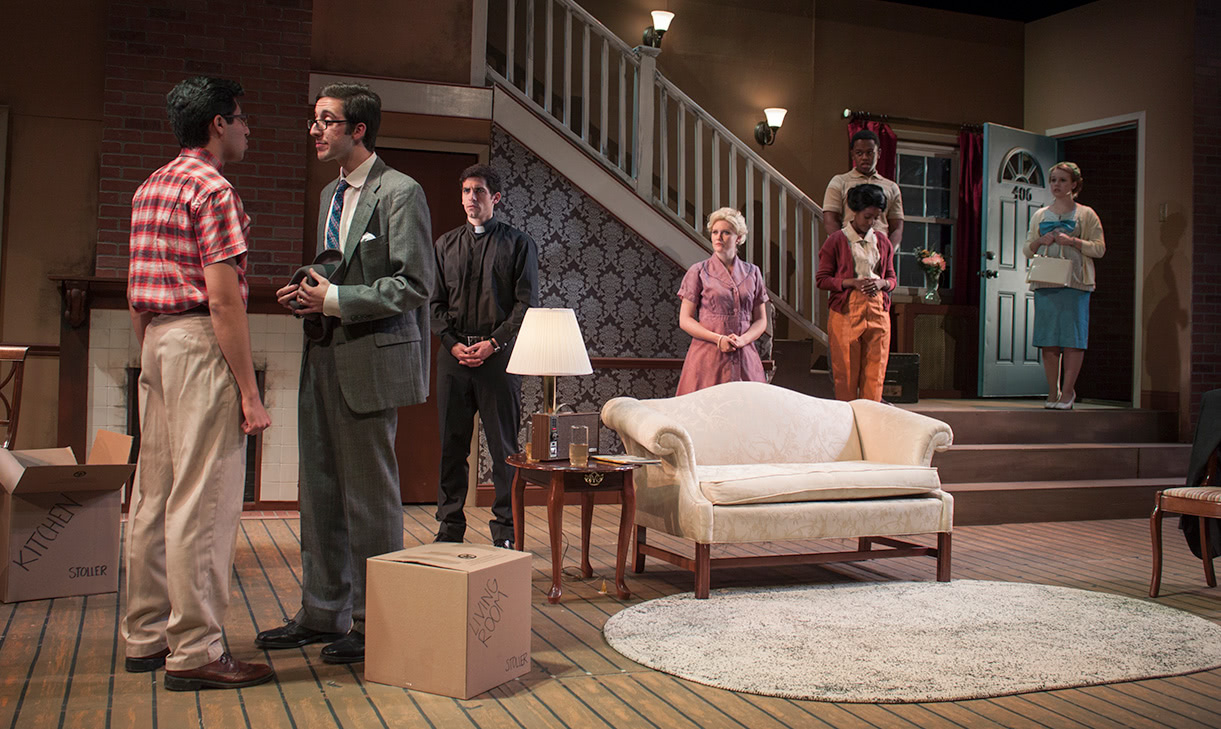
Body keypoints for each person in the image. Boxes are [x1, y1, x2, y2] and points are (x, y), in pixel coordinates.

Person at [258, 82, 434, 664]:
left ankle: (373, 618)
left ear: (359, 129)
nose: (316, 130)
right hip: (324, 353)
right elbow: (339, 270)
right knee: (322, 490)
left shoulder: (400, 193)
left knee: (369, 497)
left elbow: (414, 284)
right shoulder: (331, 195)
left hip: (369, 359)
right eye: (315, 120)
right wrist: (309, 289)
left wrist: (334, 298)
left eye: (327, 121)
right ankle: (321, 610)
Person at [123, 76, 273, 691]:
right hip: (199, 341)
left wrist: (155, 356)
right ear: (216, 123)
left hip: (158, 341)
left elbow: (136, 293)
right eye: (240, 118)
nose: (246, 129)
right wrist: (249, 390)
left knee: (154, 495)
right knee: (205, 501)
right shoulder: (213, 190)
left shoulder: (149, 187)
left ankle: (145, 636)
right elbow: (224, 302)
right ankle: (197, 651)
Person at [432, 164, 539, 548]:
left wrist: (493, 343)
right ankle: (449, 528)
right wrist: (451, 342)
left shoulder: (519, 244)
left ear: (494, 197)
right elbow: (435, 303)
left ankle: (506, 532)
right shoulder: (444, 245)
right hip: (454, 357)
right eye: (465, 191)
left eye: (478, 191)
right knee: (451, 447)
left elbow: (526, 304)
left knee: (504, 450)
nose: (471, 198)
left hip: (499, 359)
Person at [1022, 161, 1105, 410]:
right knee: (1048, 339)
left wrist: (1074, 241)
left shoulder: (1086, 214)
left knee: (1072, 339)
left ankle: (1068, 392)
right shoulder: (1040, 214)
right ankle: (1052, 391)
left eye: (1062, 180)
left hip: (1076, 283)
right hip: (1046, 282)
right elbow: (1027, 248)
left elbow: (1099, 248)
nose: (1057, 185)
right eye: (1054, 180)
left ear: (1075, 184)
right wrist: (1039, 241)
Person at [815, 183, 898, 402]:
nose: (871, 223)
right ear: (855, 212)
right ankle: (849, 427)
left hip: (878, 309)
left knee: (876, 372)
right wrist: (851, 282)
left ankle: (871, 424)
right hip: (847, 310)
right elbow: (822, 279)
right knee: (846, 375)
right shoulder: (837, 241)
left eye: (876, 218)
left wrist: (882, 284)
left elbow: (891, 278)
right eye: (867, 217)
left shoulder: (883, 242)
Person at [675, 207, 769, 395]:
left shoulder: (753, 273)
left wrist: (743, 340)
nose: (719, 237)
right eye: (715, 232)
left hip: (745, 356)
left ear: (739, 238)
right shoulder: (699, 271)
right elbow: (685, 320)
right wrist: (718, 339)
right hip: (707, 357)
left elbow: (761, 320)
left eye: (726, 232)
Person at [822, 129, 904, 247]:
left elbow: (897, 227)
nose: (864, 157)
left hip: (880, 246)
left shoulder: (891, 187)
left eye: (869, 152)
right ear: (853, 155)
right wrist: (844, 248)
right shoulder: (840, 182)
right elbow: (830, 220)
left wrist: (888, 252)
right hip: (850, 245)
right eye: (859, 153)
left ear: (879, 153)